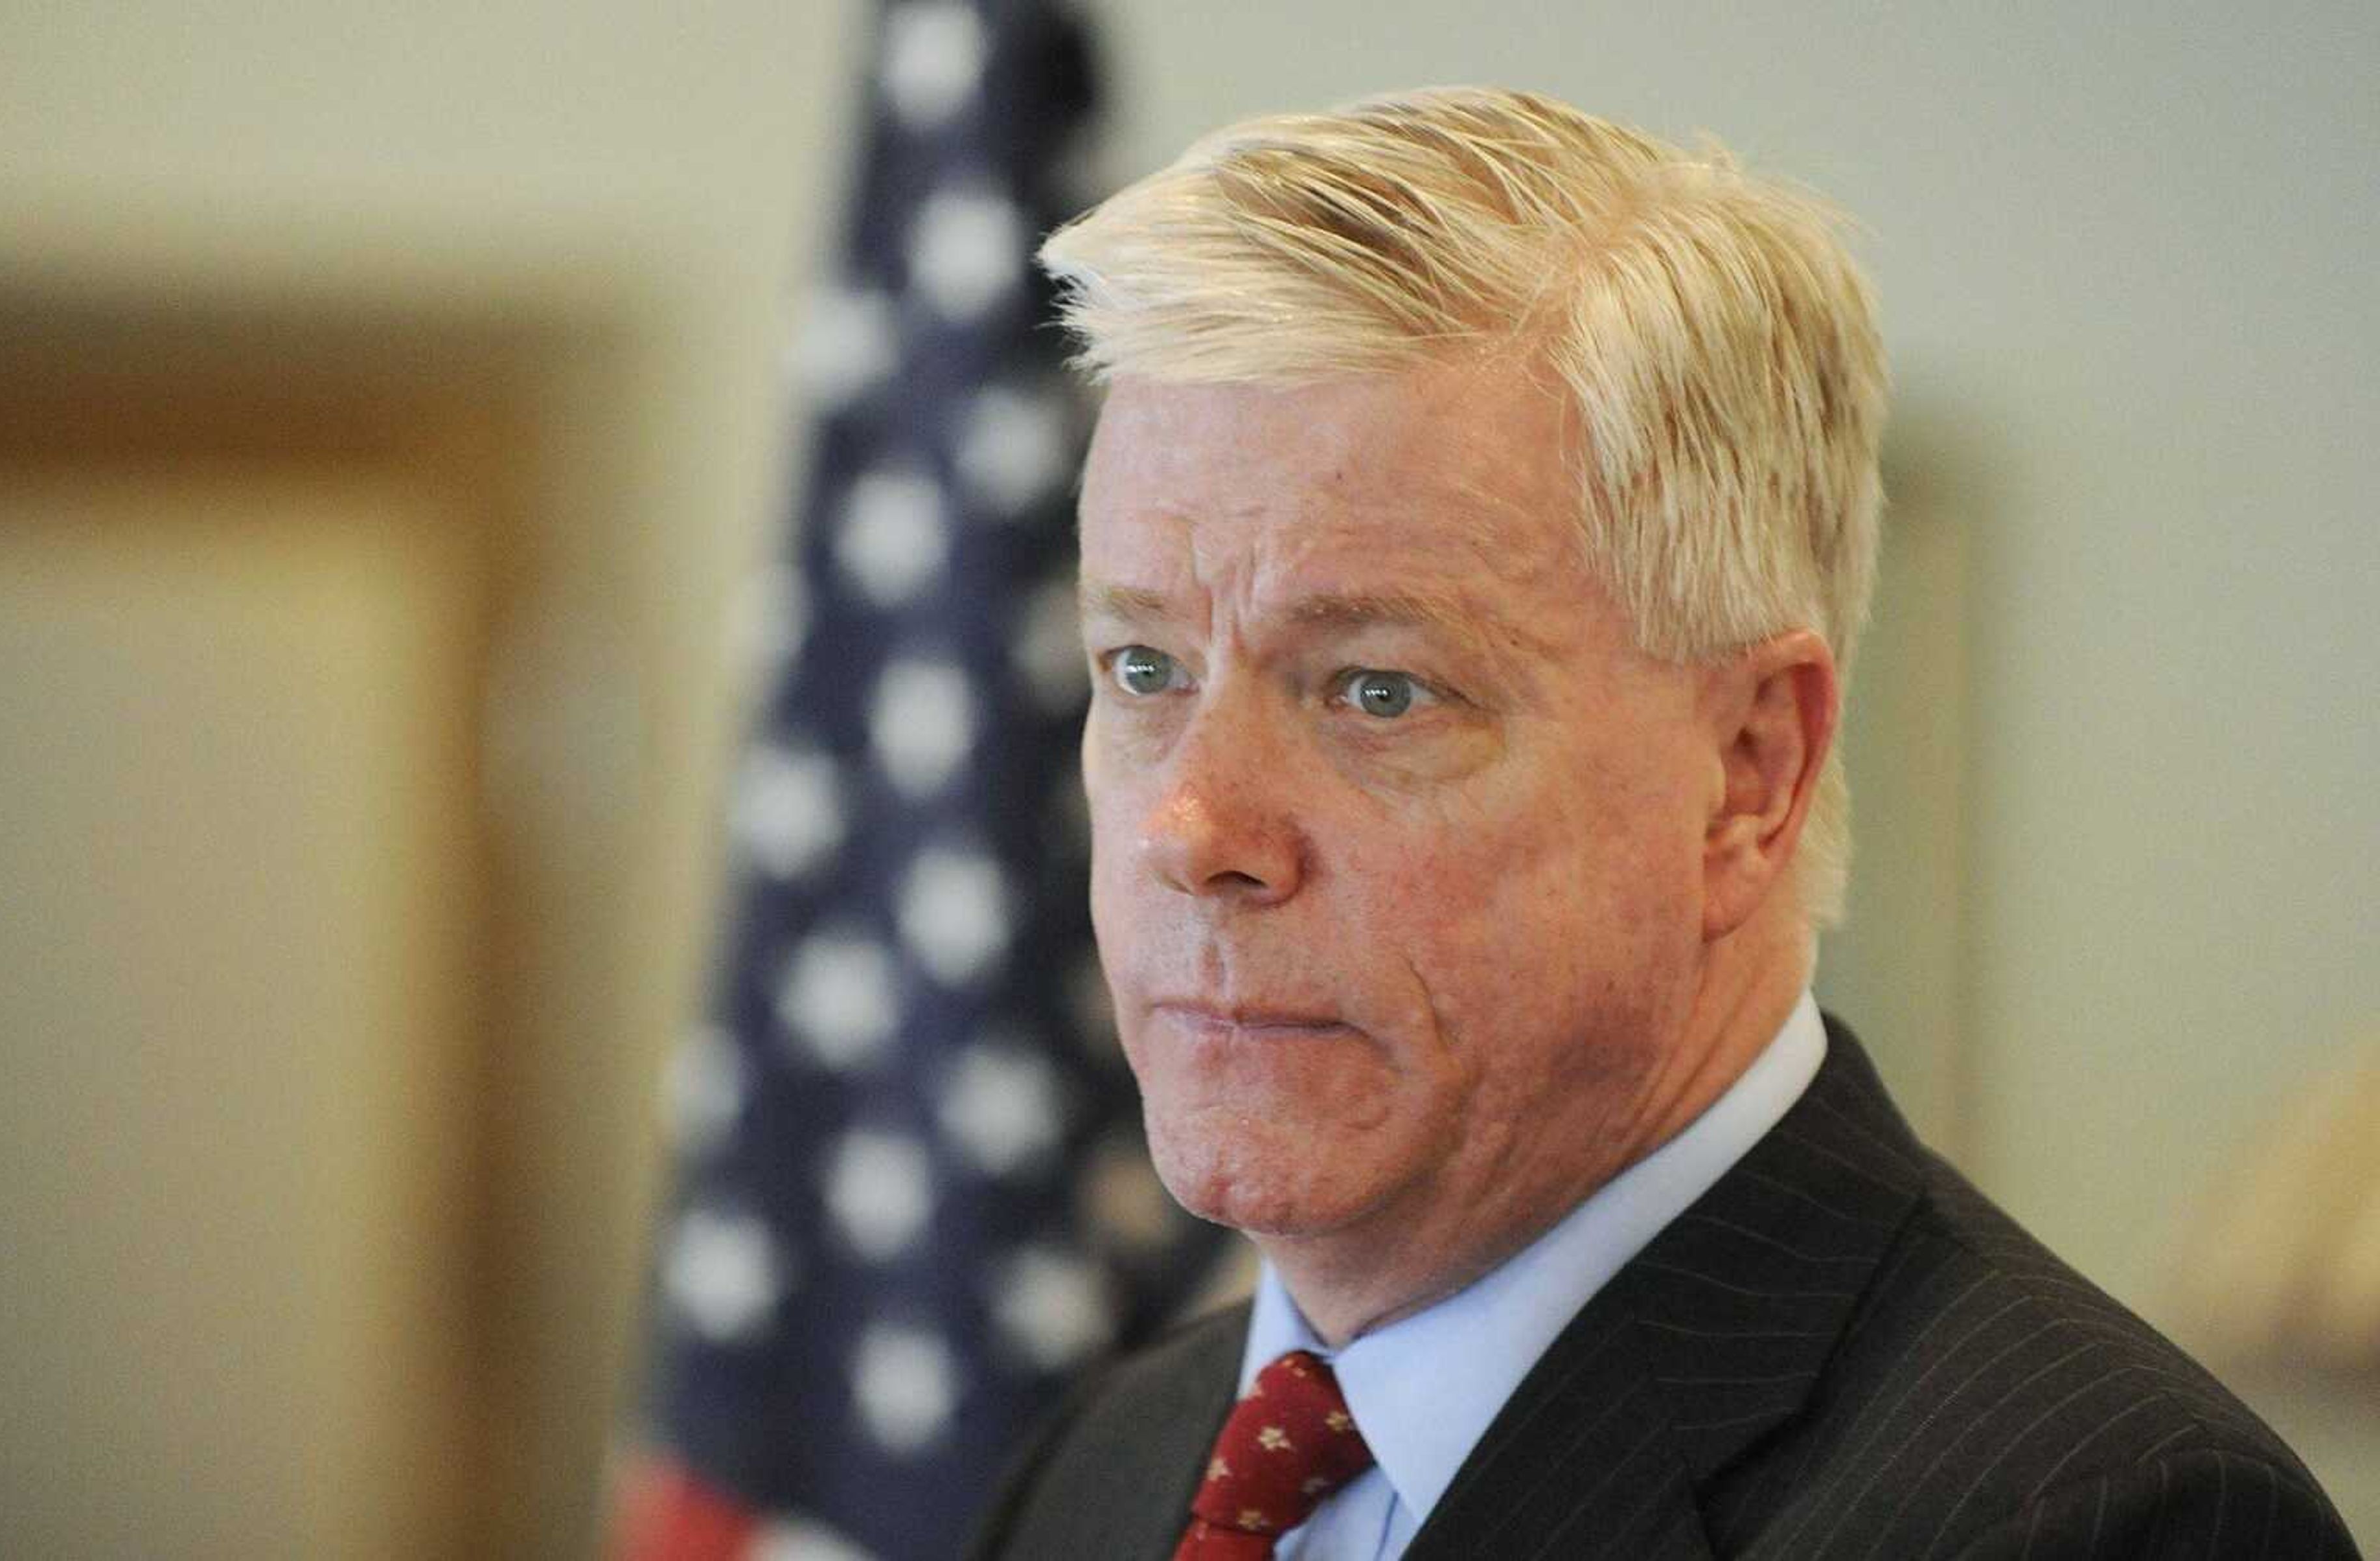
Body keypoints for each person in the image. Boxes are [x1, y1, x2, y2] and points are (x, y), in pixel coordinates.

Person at [966, 87, 2356, 1560]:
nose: (1194, 826)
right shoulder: (1103, 1470)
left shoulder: (2109, 1520)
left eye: (1379, 689)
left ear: (1750, 771)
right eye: (1142, 667)